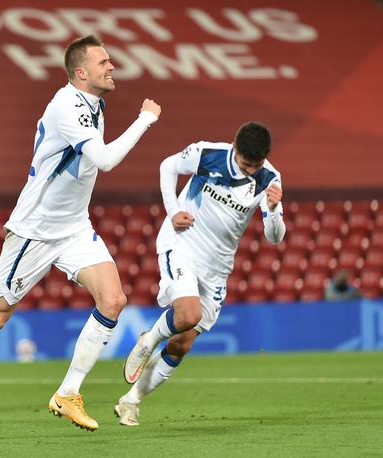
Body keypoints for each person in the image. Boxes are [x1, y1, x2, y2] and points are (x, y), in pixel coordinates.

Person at [0, 35, 161, 431]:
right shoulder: (67, 106)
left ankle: (67, 393)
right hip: (35, 231)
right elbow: (106, 160)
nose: (112, 67)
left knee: (113, 300)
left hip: (74, 227)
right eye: (104, 62)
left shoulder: (96, 103)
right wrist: (145, 119)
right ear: (81, 72)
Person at [115, 122, 285, 426]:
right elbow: (168, 165)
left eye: (256, 165)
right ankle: (147, 341)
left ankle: (131, 401)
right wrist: (171, 211)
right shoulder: (208, 153)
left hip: (218, 266)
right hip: (183, 243)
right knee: (188, 313)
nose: (250, 171)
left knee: (182, 342)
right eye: (246, 164)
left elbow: (274, 237)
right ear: (235, 148)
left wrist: (272, 210)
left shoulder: (269, 178)